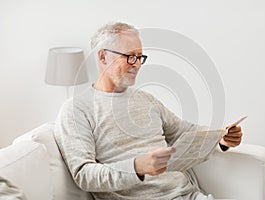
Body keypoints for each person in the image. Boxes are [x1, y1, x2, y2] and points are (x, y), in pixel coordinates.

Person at [54, 22, 243, 200]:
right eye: (130, 56)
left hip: (188, 195)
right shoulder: (76, 110)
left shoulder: (146, 99)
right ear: (103, 57)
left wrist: (221, 139)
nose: (137, 64)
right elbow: (84, 175)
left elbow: (183, 131)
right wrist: (137, 167)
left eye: (140, 57)